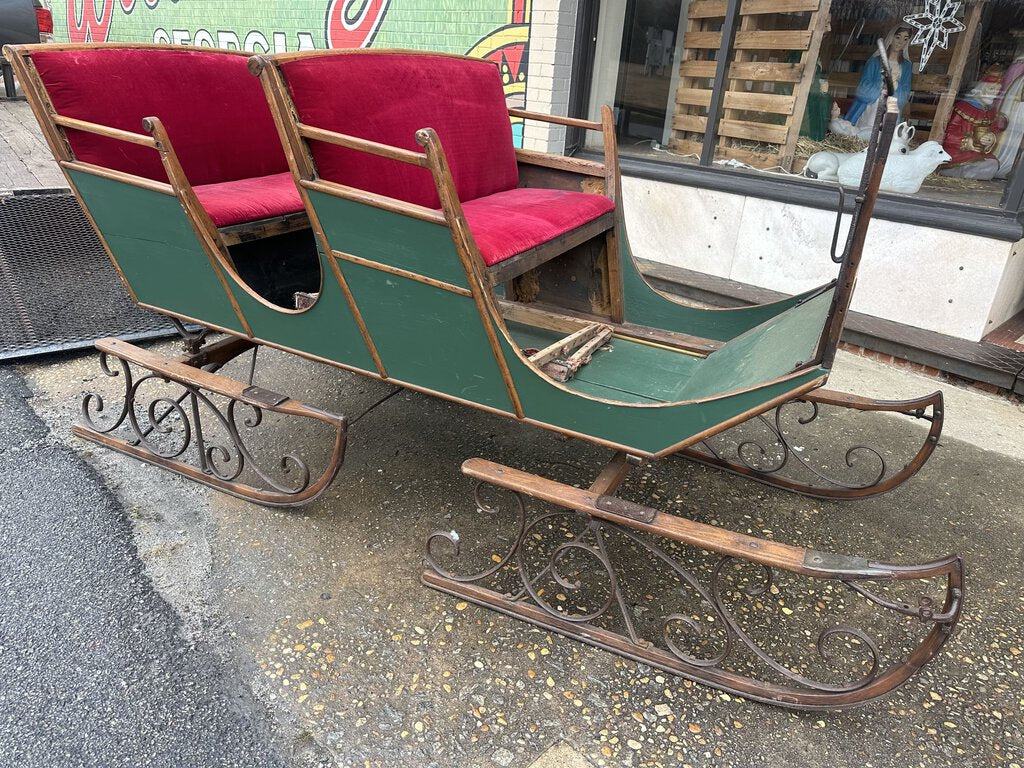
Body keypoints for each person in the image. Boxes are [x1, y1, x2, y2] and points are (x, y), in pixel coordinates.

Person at [830, 24, 914, 140]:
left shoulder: (906, 66)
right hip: (871, 106)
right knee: (863, 135)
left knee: (883, 138)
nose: (900, 42)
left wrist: (895, 87)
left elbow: (905, 91)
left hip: (890, 108)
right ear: (891, 37)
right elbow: (863, 86)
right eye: (897, 37)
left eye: (905, 39)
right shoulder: (874, 62)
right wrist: (882, 85)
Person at [939, 66, 1007, 180]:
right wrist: (967, 142)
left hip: (979, 152)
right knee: (979, 166)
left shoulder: (991, 111)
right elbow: (947, 133)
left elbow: (994, 130)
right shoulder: (962, 107)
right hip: (958, 152)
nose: (994, 94)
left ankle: (972, 173)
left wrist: (991, 138)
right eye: (991, 89)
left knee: (992, 164)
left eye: (997, 91)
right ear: (981, 88)